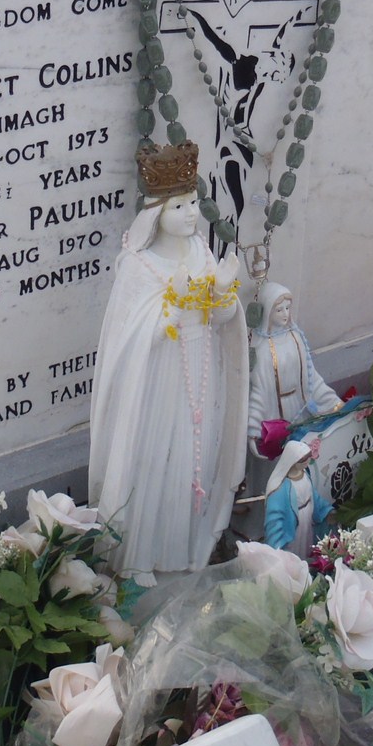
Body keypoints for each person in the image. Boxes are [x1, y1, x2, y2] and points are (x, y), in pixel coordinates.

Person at [89, 141, 246, 582]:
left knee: (193, 459)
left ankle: (183, 549)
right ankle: (138, 556)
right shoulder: (139, 266)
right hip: (157, 379)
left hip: (201, 370)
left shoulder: (201, 252)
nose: (191, 213)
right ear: (156, 213)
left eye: (193, 202)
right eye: (179, 206)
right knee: (153, 459)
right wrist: (171, 310)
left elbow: (223, 320)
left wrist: (223, 296)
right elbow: (128, 339)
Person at [247, 282, 341, 459]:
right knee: (282, 459)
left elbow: (311, 377)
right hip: (276, 412)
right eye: (279, 310)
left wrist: (332, 402)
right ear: (267, 312)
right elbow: (258, 390)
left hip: (300, 408)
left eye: (287, 308)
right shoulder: (262, 349)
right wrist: (253, 427)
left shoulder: (295, 337)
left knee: (303, 455)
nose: (285, 314)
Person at [262, 439, 330, 557]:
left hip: (307, 520)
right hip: (293, 525)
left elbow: (313, 497)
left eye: (308, 457)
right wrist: (276, 542)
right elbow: (275, 517)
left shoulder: (305, 474)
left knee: (307, 545)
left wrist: (326, 510)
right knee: (295, 550)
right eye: (303, 459)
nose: (307, 461)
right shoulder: (280, 488)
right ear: (293, 461)